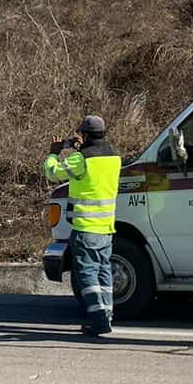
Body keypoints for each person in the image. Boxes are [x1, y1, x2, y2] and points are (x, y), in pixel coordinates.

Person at [43, 115, 121, 337]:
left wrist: (53, 153)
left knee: (86, 274)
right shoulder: (114, 157)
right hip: (106, 227)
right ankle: (107, 316)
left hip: (86, 227)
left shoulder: (82, 159)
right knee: (104, 272)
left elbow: (52, 172)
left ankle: (98, 321)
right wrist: (80, 147)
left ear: (85, 135)